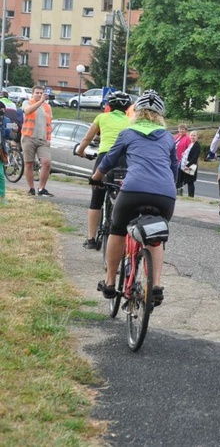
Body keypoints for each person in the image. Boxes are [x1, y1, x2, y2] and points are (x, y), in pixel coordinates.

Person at [89, 90, 177, 306]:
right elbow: (174, 169)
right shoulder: (168, 137)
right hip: (165, 195)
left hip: (133, 190)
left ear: (136, 113)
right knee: (156, 237)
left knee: (117, 231)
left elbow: (109, 160)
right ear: (160, 116)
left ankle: (110, 282)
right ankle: (155, 286)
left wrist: (96, 178)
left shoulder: (128, 133)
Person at [76, 91, 133, 249]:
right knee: (123, 195)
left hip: (105, 159)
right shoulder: (130, 122)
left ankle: (91, 240)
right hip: (124, 160)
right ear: (128, 108)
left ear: (109, 106)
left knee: (96, 200)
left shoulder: (102, 117)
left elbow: (87, 139)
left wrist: (81, 151)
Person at [20, 86, 54, 196]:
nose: (39, 95)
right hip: (28, 137)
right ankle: (31, 188)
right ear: (32, 94)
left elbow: (49, 124)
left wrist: (49, 138)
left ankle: (41, 188)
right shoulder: (27, 102)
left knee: (46, 162)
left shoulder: (47, 107)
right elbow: (28, 111)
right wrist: (40, 101)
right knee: (29, 163)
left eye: (41, 93)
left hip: (42, 138)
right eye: (37, 93)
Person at [178, 131, 201, 198]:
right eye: (191, 135)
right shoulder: (191, 144)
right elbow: (188, 153)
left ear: (197, 137)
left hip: (190, 166)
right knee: (181, 180)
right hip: (184, 165)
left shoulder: (197, 146)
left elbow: (194, 158)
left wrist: (187, 166)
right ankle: (180, 193)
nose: (192, 137)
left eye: (194, 136)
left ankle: (191, 196)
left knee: (190, 182)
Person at [174, 124, 191, 195]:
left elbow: (189, 149)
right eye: (180, 129)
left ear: (186, 130)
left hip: (182, 160)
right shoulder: (176, 137)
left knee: (180, 177)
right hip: (175, 159)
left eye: (183, 129)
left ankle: (179, 191)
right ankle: (175, 190)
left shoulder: (187, 138)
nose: (181, 130)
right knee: (174, 176)